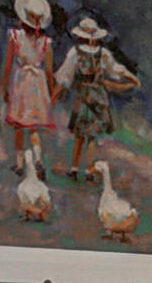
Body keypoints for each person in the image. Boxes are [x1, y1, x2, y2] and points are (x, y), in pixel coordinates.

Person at [54, 13, 141, 181]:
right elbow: (116, 69)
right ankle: (89, 170)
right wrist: (132, 77)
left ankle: (74, 169)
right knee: (92, 135)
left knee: (80, 134)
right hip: (98, 96)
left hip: (82, 95)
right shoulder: (104, 53)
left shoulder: (75, 52)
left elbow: (65, 75)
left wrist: (56, 93)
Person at [0, 0, 59, 170]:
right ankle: (38, 159)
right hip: (38, 83)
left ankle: (19, 164)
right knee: (33, 126)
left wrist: (4, 87)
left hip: (21, 81)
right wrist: (51, 92)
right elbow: (49, 71)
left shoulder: (15, 37)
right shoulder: (46, 42)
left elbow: (8, 64)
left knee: (19, 124)